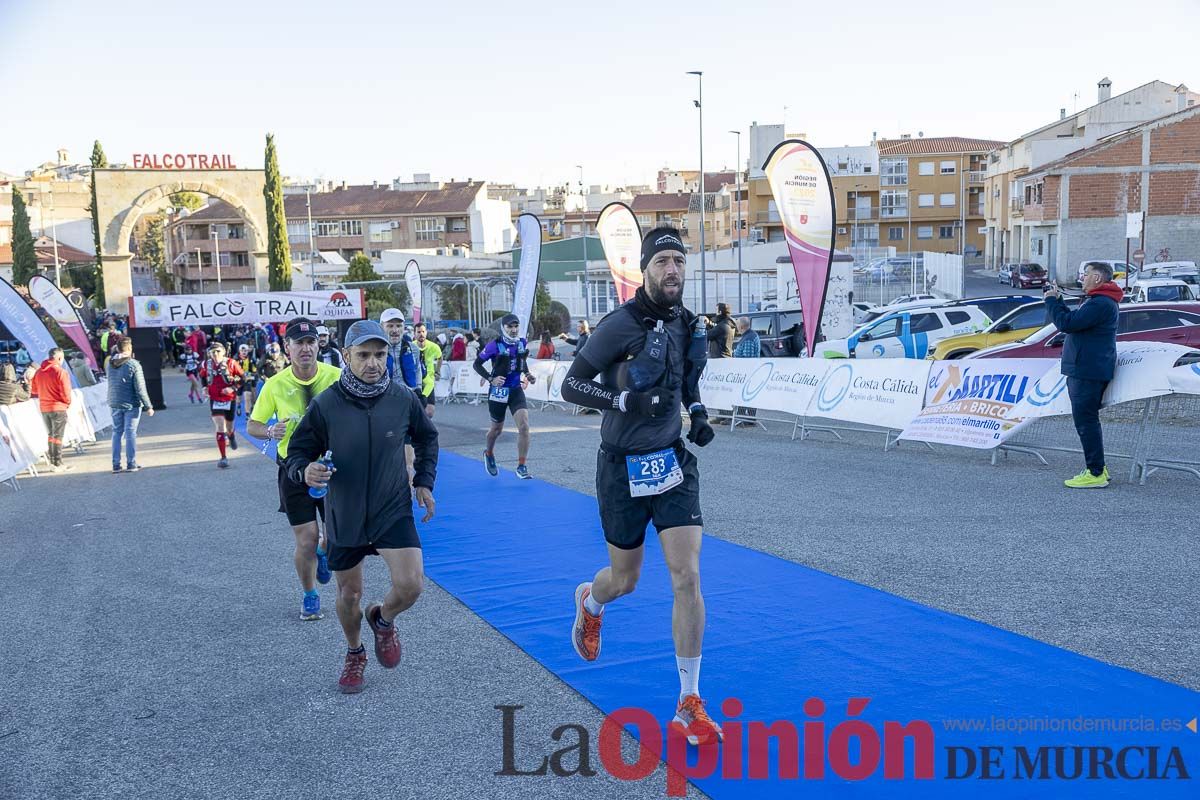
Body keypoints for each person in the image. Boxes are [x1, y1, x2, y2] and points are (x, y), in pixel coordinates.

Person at [558, 226, 722, 745]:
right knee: (624, 580)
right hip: (621, 467)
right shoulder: (619, 325)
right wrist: (627, 402)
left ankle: (688, 702)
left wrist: (695, 414)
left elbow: (686, 378)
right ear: (646, 270)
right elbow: (571, 385)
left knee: (686, 577)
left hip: (671, 463)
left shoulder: (687, 324)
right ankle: (591, 601)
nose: (671, 270)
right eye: (662, 262)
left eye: (678, 260)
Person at [286, 319, 439, 693]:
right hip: (346, 511)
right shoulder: (327, 404)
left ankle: (382, 619)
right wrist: (304, 470)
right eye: (364, 355)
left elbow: (428, 438)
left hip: (392, 507)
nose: (374, 363)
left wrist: (423, 481)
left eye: (381, 354)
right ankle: (355, 652)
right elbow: (297, 453)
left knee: (411, 585)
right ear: (346, 356)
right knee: (349, 595)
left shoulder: (403, 398)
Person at [248, 317, 342, 621]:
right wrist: (271, 430)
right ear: (287, 348)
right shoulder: (275, 385)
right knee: (306, 539)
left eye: (310, 341)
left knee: (337, 537)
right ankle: (310, 595)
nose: (305, 348)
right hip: (294, 470)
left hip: (333, 469)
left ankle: (325, 553)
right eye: (298, 343)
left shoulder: (337, 377)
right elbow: (253, 425)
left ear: (319, 344)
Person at [1044, 263, 1122, 489]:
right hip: (1087, 368)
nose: (1082, 279)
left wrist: (1050, 301)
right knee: (1087, 420)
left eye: (1085, 274)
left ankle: (1095, 472)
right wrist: (1058, 300)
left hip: (1087, 370)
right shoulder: (1100, 302)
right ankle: (1098, 467)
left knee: (1086, 422)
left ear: (1097, 278)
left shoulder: (1100, 304)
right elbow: (1073, 322)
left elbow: (1066, 324)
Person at [474, 313, 536, 479]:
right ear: (503, 328)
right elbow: (476, 364)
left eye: (516, 326)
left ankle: (522, 466)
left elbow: (521, 363)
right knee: (496, 430)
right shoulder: (494, 345)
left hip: (515, 389)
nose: (514, 330)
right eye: (510, 326)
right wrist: (490, 379)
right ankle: (489, 453)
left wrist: (528, 374)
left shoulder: (522, 342)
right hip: (498, 392)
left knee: (524, 426)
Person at [106, 338, 154, 473]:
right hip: (131, 403)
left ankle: (116, 464)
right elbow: (140, 388)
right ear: (129, 349)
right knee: (130, 433)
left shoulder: (110, 363)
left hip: (114, 401)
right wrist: (148, 405)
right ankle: (131, 463)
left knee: (116, 432)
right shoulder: (133, 365)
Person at [199, 342, 244, 468]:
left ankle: (231, 435)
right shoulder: (206, 364)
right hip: (215, 399)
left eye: (218, 351)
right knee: (220, 427)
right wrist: (204, 388)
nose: (215, 354)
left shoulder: (231, 363)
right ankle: (223, 457)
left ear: (223, 352)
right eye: (212, 352)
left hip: (229, 399)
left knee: (228, 427)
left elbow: (243, 378)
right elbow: (202, 376)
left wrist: (233, 388)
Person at [30, 348, 74, 472]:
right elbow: (66, 392)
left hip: (44, 407)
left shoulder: (39, 372)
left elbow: (34, 391)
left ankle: (53, 462)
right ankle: (57, 463)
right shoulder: (60, 371)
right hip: (58, 407)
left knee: (51, 435)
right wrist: (67, 403)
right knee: (58, 436)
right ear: (59, 358)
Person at [379, 308, 422, 393]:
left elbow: (417, 370)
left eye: (398, 326)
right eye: (390, 326)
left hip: (409, 398)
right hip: (384, 398)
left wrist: (419, 390)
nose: (395, 330)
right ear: (381, 327)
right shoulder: (375, 350)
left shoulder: (414, 348)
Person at [732, 316, 761, 426]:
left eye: (737, 325)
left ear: (742, 326)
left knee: (744, 395)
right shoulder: (749, 335)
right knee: (748, 395)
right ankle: (747, 418)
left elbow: (747, 359)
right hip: (750, 372)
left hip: (747, 373)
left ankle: (745, 418)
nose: (736, 327)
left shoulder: (748, 338)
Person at [413, 322, 442, 418]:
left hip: (428, 381)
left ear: (426, 333)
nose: (421, 334)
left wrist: (437, 371)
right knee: (417, 409)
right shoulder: (411, 346)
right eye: (418, 332)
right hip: (415, 382)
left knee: (430, 412)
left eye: (423, 331)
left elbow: (440, 357)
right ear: (414, 334)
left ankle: (424, 426)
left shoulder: (433, 346)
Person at [234, 344, 257, 416]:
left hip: (247, 380)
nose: (244, 352)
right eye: (242, 351)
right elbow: (232, 371)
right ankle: (238, 405)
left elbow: (254, 371)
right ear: (239, 351)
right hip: (238, 380)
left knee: (248, 396)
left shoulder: (251, 359)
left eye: (245, 351)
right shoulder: (235, 360)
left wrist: (252, 376)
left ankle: (248, 414)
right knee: (238, 397)